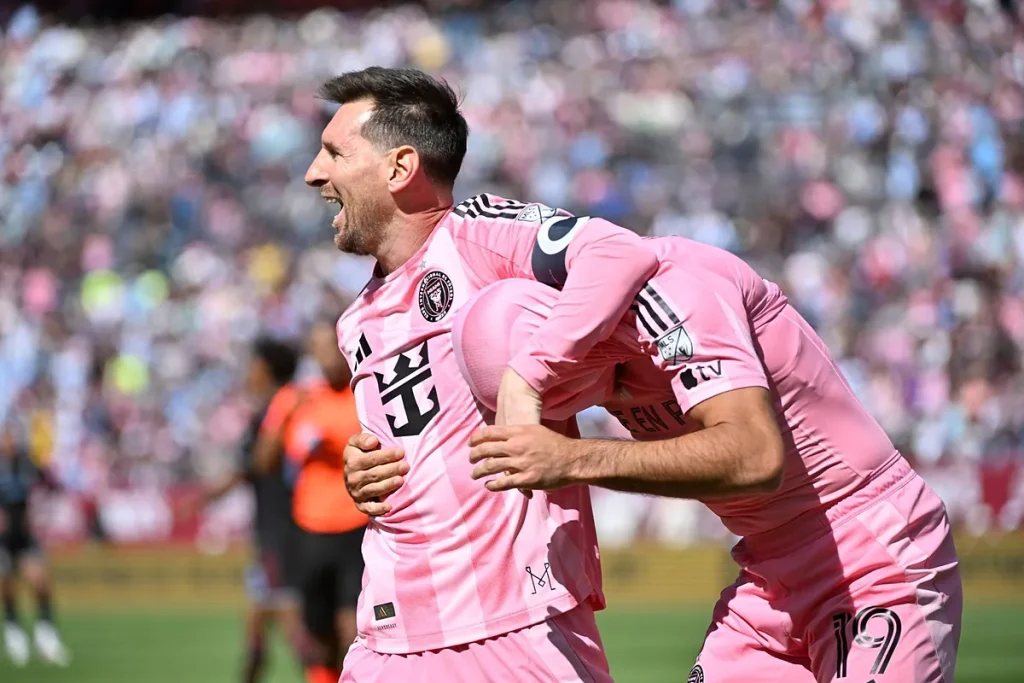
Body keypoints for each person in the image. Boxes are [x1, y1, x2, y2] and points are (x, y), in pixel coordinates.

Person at [347, 240, 964, 683]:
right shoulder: (597, 349)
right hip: (768, 573)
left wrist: (574, 458)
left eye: (553, 394)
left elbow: (756, 456)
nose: (569, 410)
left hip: (870, 552)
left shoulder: (675, 290)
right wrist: (372, 461)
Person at [304, 66, 661, 681]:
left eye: (335, 152)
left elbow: (618, 251)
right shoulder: (355, 320)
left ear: (400, 167)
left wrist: (529, 376)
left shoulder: (476, 234)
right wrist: (362, 470)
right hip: (387, 633)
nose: (315, 173)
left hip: (513, 627)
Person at [185, 337, 307, 683]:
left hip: (279, 535)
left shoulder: (271, 416)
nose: (248, 372)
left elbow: (246, 469)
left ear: (266, 369)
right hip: (288, 533)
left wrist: (200, 500)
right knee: (257, 630)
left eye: (253, 365)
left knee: (292, 627)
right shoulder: (298, 407)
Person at [255, 321, 368, 683]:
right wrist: (288, 415)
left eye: (330, 344)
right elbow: (263, 462)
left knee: (354, 628)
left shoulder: (364, 393)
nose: (326, 354)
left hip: (358, 526)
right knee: (319, 639)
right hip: (311, 530)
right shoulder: (296, 398)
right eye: (318, 347)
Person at [0, 420, 69, 667]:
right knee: (7, 584)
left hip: (25, 533)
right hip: (3, 537)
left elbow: (52, 486)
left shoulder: (28, 463)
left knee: (40, 581)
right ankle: (14, 631)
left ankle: (46, 633)